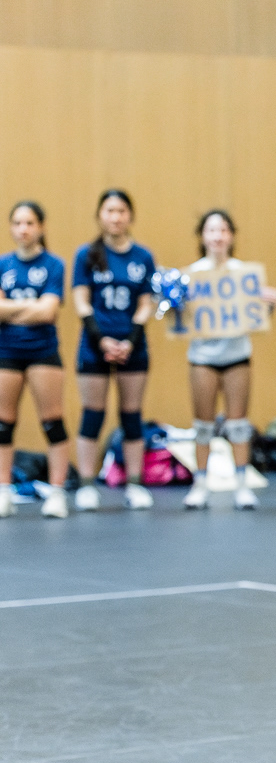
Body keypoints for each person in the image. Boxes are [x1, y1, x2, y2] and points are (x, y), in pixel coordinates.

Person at [181, 209, 276, 511]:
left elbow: (257, 317)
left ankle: (241, 483)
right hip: (203, 357)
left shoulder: (243, 274)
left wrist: (267, 303)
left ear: (231, 236)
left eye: (223, 230)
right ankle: (200, 483)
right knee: (203, 424)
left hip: (237, 355)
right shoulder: (191, 275)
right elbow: (178, 317)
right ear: (202, 236)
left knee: (238, 424)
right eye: (211, 230)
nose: (217, 236)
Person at [72, 190, 155, 511]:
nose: (116, 217)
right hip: (95, 345)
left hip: (132, 344)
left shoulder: (143, 257)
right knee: (93, 413)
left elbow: (146, 304)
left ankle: (135, 483)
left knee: (131, 415)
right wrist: (102, 339)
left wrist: (129, 341)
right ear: (100, 215)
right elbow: (81, 301)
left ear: (130, 216)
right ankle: (87, 484)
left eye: (121, 211)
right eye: (109, 210)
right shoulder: (86, 255)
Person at [0, 201, 69, 518]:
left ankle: (57, 492)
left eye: (29, 223)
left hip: (42, 351)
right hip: (7, 351)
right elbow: (34, 310)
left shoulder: (54, 265)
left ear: (40, 227)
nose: (23, 229)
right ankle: (4, 492)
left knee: (52, 422)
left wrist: (12, 308)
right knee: (3, 424)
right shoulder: (3, 265)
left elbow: (49, 311)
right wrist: (32, 308)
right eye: (17, 223)